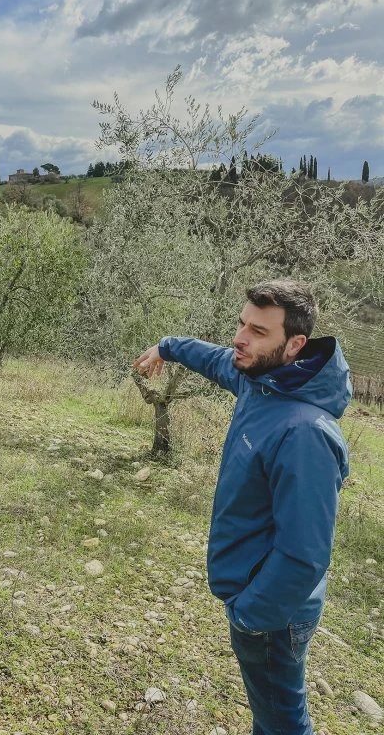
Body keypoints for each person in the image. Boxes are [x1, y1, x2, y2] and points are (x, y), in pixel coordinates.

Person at [133, 279, 351, 735]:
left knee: (283, 722)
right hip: (260, 598)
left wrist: (252, 615)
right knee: (271, 715)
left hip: (274, 613)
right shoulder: (261, 379)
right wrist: (167, 347)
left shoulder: (305, 432)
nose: (240, 338)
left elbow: (305, 555)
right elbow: (213, 358)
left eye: (257, 331)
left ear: (295, 344)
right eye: (241, 324)